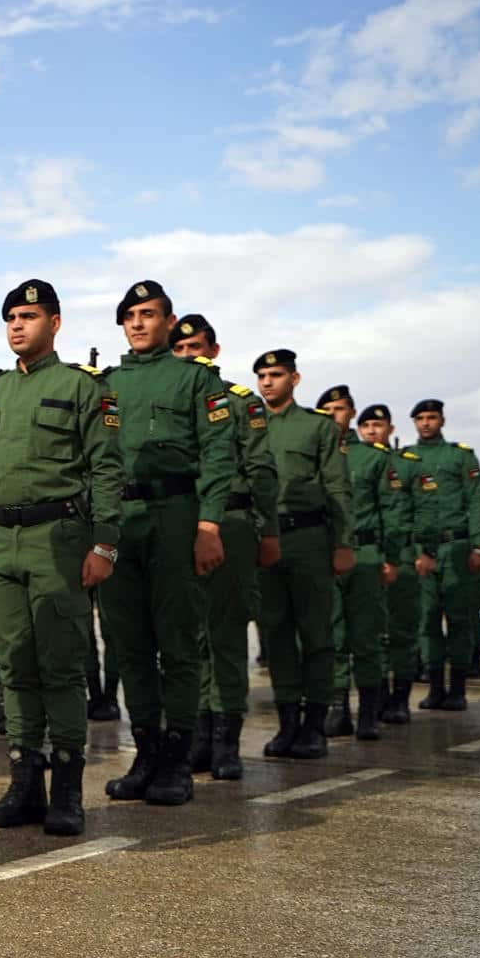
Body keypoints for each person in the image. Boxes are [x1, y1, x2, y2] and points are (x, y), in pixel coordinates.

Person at [0, 280, 122, 836]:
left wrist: (104, 543)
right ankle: (24, 783)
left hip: (57, 539)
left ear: (55, 322)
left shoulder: (81, 387)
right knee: (12, 665)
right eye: (10, 318)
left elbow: (105, 469)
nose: (17, 326)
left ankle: (68, 792)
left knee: (60, 667)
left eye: (28, 315)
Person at [94, 281, 234, 807]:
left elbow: (220, 455)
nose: (137, 322)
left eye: (148, 313)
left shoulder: (195, 380)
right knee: (128, 645)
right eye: (129, 315)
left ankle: (178, 757)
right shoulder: (103, 384)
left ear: (169, 321)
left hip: (176, 516)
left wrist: (210, 525)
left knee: (177, 643)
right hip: (119, 521)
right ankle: (145, 753)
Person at [171, 313, 279, 780]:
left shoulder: (240, 402)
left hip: (230, 522)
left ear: (214, 351)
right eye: (180, 348)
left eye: (196, 347)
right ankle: (198, 735)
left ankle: (227, 742)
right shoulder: (169, 403)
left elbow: (261, 470)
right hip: (180, 522)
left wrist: (268, 530)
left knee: (227, 635)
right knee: (190, 637)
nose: (189, 354)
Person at [250, 353, 351, 759]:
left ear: (294, 378)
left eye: (275, 375)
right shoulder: (251, 426)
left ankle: (315, 726)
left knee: (316, 634)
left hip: (309, 537)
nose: (267, 383)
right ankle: (287, 722)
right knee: (275, 633)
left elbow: (338, 488)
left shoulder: (318, 427)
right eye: (261, 376)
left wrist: (343, 544)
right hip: (265, 540)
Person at [316, 384, 406, 742]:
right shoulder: (313, 455)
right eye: (325, 410)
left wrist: (392, 558)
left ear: (351, 413)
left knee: (366, 635)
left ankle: (369, 712)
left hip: (365, 555)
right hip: (323, 555)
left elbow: (393, 512)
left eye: (338, 409)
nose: (332, 416)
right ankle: (339, 710)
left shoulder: (373, 458)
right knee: (332, 635)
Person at [406, 399, 480, 712]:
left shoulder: (459, 456)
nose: (426, 423)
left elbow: (476, 501)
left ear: (442, 420)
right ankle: (435, 686)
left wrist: (479, 546)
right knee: (426, 621)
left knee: (459, 619)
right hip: (422, 551)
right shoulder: (406, 460)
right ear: (414, 422)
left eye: (431, 417)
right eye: (421, 418)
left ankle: (458, 688)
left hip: (457, 547)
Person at [358, 405, 423, 722]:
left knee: (402, 631)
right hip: (370, 559)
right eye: (366, 425)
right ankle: (379, 695)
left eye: (378, 425)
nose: (372, 430)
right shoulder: (351, 461)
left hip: (404, 559)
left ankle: (400, 698)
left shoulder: (406, 465)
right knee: (374, 632)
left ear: (391, 429)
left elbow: (422, 511)